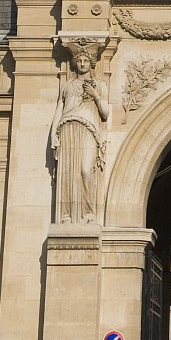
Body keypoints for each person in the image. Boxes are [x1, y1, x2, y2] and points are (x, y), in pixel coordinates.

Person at [50, 47, 110, 223]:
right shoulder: (67, 86)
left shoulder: (100, 85)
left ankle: (89, 213)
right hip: (68, 128)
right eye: (79, 61)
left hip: (89, 130)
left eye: (86, 61)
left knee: (86, 171)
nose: (82, 64)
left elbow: (105, 113)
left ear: (91, 65)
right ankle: (67, 216)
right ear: (75, 64)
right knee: (68, 173)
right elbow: (58, 112)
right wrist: (54, 135)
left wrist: (96, 96)